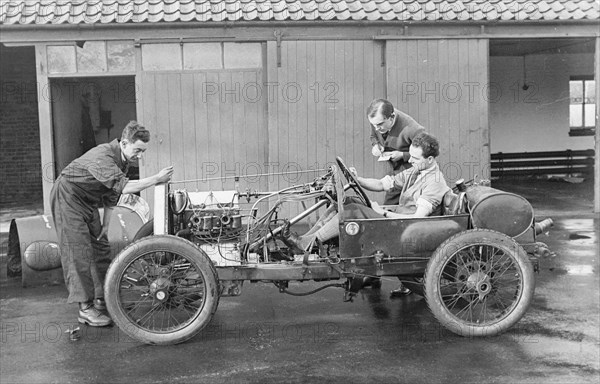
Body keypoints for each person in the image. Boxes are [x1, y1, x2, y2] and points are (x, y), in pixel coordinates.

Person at [283, 132, 450, 296]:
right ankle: (305, 241)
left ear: (430, 159)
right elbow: (382, 183)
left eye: (415, 158)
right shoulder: (416, 171)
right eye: (411, 156)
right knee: (345, 203)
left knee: (352, 212)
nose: (410, 160)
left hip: (403, 230)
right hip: (396, 223)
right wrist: (357, 179)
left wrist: (383, 213)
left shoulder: (434, 183)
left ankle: (306, 244)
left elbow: (417, 220)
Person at [51, 121, 174, 327]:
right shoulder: (104, 156)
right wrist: (157, 178)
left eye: (143, 151)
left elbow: (111, 195)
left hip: (87, 201)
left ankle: (104, 299)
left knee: (101, 247)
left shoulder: (122, 159)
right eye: (138, 150)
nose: (140, 156)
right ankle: (85, 308)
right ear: (124, 143)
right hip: (68, 197)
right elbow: (125, 188)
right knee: (77, 251)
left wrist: (106, 225)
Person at [367, 99, 425, 205]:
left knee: (409, 207)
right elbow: (373, 136)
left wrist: (403, 155)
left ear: (392, 117)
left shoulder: (412, 128)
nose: (376, 128)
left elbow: (426, 153)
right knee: (389, 205)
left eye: (379, 125)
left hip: (412, 172)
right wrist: (376, 144)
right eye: (373, 125)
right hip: (394, 171)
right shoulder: (376, 120)